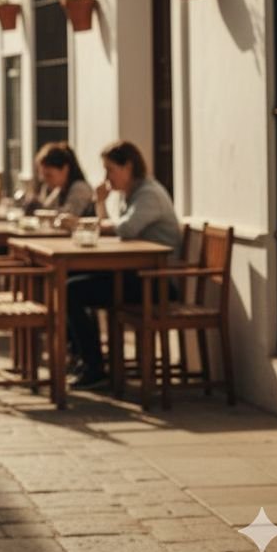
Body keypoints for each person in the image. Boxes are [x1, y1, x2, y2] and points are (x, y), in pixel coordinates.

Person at [67, 139, 182, 390]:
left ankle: (93, 366)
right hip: (134, 275)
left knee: (71, 292)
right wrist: (100, 204)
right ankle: (84, 359)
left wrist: (84, 224)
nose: (107, 177)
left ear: (128, 166)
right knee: (69, 281)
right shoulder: (130, 194)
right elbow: (115, 229)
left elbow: (126, 229)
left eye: (110, 170)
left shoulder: (148, 194)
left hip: (156, 283)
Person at [34, 142, 95, 221]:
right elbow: (45, 210)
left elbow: (67, 216)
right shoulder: (59, 190)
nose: (44, 180)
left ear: (64, 169)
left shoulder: (80, 188)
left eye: (49, 175)